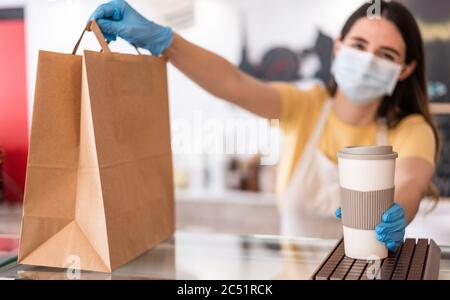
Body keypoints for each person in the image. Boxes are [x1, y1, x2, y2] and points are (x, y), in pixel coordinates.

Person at [89, 0, 439, 251]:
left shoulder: (410, 129)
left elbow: (409, 181)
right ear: (338, 48)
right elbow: (233, 83)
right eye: (359, 46)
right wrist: (164, 40)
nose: (367, 61)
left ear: (405, 69)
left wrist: (397, 211)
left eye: (386, 56)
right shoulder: (306, 107)